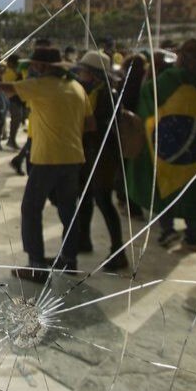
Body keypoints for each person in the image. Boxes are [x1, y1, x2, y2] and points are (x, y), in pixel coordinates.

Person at [0, 40, 93, 281]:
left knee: (31, 209)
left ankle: (36, 266)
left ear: (42, 66)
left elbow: (2, 87)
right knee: (68, 210)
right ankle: (69, 260)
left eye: (34, 65)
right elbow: (90, 125)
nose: (32, 68)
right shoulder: (76, 87)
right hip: (73, 158)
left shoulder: (41, 85)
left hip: (47, 158)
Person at [127, 38, 196, 252]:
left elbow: (148, 101)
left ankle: (168, 231)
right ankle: (192, 236)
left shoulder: (168, 80)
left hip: (166, 148)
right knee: (195, 189)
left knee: (164, 187)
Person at [72, 51, 127, 270]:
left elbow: (102, 126)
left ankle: (118, 251)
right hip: (90, 152)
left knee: (103, 200)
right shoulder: (94, 91)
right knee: (84, 197)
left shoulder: (107, 94)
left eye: (83, 71)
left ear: (93, 74)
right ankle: (84, 239)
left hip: (103, 155)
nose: (80, 74)